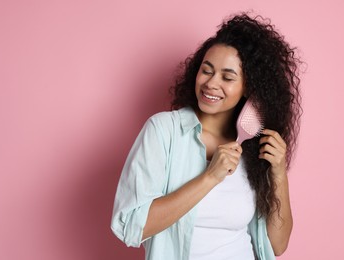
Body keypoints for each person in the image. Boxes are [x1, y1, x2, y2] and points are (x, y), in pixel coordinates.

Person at [111, 12, 302, 260]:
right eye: (207, 70)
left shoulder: (254, 148)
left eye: (228, 77)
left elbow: (277, 245)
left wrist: (278, 173)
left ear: (248, 87)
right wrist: (211, 176)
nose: (211, 83)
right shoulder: (164, 131)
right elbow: (131, 227)